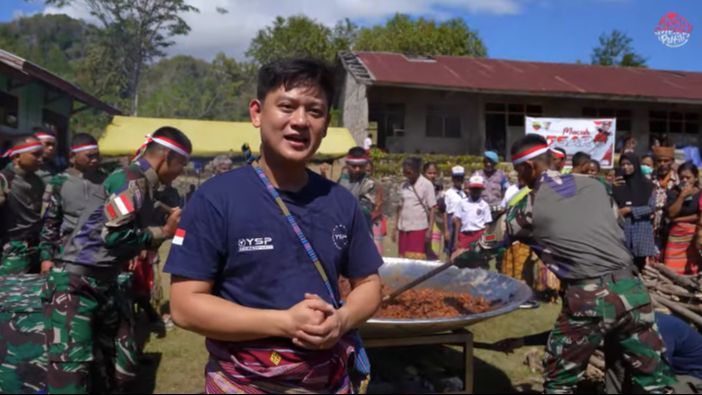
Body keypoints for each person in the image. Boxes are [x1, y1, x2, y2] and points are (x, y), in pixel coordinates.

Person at [164, 59, 383, 394]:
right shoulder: (216, 200)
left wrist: (341, 320)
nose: (300, 121)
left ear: (325, 125)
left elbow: (368, 284)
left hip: (330, 379)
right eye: (286, 106)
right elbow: (184, 305)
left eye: (314, 111)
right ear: (256, 113)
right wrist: (283, 322)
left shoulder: (341, 202)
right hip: (245, 382)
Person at [506, 134, 673, 393]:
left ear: (529, 167)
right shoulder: (597, 186)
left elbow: (486, 243)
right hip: (633, 289)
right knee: (654, 379)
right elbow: (616, 224)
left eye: (519, 171)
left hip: (589, 297)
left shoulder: (530, 204)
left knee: (560, 381)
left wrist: (461, 259)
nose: (518, 178)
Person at [44, 126, 191, 393]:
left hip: (104, 281)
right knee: (71, 372)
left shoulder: (144, 184)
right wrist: (164, 232)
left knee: (116, 369)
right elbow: (112, 236)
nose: (182, 170)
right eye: (182, 163)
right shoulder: (129, 181)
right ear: (166, 157)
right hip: (78, 284)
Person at [38, 133, 106, 275]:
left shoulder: (107, 180)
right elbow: (50, 222)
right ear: (73, 156)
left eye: (96, 156)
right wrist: (46, 257)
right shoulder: (59, 182)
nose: (94, 160)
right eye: (89, 156)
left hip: (101, 252)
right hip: (67, 253)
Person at [0, 136, 45, 275]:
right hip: (12, 250)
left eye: (41, 155)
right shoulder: (4, 179)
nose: (41, 159)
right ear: (17, 156)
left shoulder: (37, 180)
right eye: (35, 154)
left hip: (36, 248)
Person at [612, 154, 656, 271]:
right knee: (622, 263)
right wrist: (612, 188)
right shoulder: (618, 184)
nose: (626, 167)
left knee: (639, 264)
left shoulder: (648, 185)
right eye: (623, 164)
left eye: (629, 164)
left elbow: (651, 208)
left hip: (640, 229)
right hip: (622, 228)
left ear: (636, 165)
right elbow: (611, 204)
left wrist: (630, 210)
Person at [394, 157, 437, 260]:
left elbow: (432, 208)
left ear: (416, 170)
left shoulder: (427, 185)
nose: (406, 175)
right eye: (405, 172)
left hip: (418, 229)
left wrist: (430, 230)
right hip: (403, 228)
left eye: (409, 172)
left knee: (415, 259)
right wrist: (395, 227)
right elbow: (400, 207)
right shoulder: (404, 185)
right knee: (402, 258)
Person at [664, 161, 702, 275]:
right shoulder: (674, 192)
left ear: (695, 178)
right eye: (682, 177)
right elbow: (671, 213)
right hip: (675, 236)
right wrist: (682, 196)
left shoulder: (700, 194)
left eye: (688, 177)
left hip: (692, 236)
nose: (685, 180)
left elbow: (699, 216)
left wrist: (677, 220)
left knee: (692, 267)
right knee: (671, 267)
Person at [338, 147, 383, 233]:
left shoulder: (368, 184)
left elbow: (365, 210)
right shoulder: (342, 180)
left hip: (361, 231)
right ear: (347, 164)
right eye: (354, 166)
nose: (357, 169)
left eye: (360, 166)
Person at [453, 175, 492, 252]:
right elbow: (458, 221)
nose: (476, 191)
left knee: (477, 258)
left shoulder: (484, 205)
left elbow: (487, 224)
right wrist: (456, 239)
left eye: (478, 189)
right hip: (464, 235)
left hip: (478, 234)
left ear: (481, 189)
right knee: (459, 256)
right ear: (470, 189)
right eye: (474, 188)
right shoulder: (462, 203)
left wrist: (484, 238)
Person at [652, 146, 679, 251]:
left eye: (666, 161)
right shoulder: (649, 179)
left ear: (672, 161)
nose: (662, 164)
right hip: (652, 227)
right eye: (659, 161)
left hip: (671, 227)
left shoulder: (678, 180)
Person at [443, 166, 466, 256]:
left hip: (462, 222)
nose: (458, 180)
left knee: (459, 247)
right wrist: (446, 230)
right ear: (452, 178)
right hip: (451, 221)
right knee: (449, 248)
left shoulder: (465, 194)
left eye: (460, 178)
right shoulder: (448, 193)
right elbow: (445, 212)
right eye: (456, 178)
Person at [423, 162, 443, 260]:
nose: (432, 176)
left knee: (434, 250)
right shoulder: (420, 187)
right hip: (422, 222)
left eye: (434, 173)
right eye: (429, 173)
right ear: (424, 173)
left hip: (435, 222)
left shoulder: (438, 188)